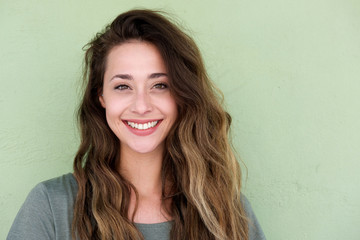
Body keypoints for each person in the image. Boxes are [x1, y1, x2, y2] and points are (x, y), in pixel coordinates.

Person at [7, 9, 266, 240]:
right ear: (101, 97)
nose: (141, 106)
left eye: (160, 85)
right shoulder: (51, 206)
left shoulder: (227, 212)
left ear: (182, 97)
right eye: (123, 86)